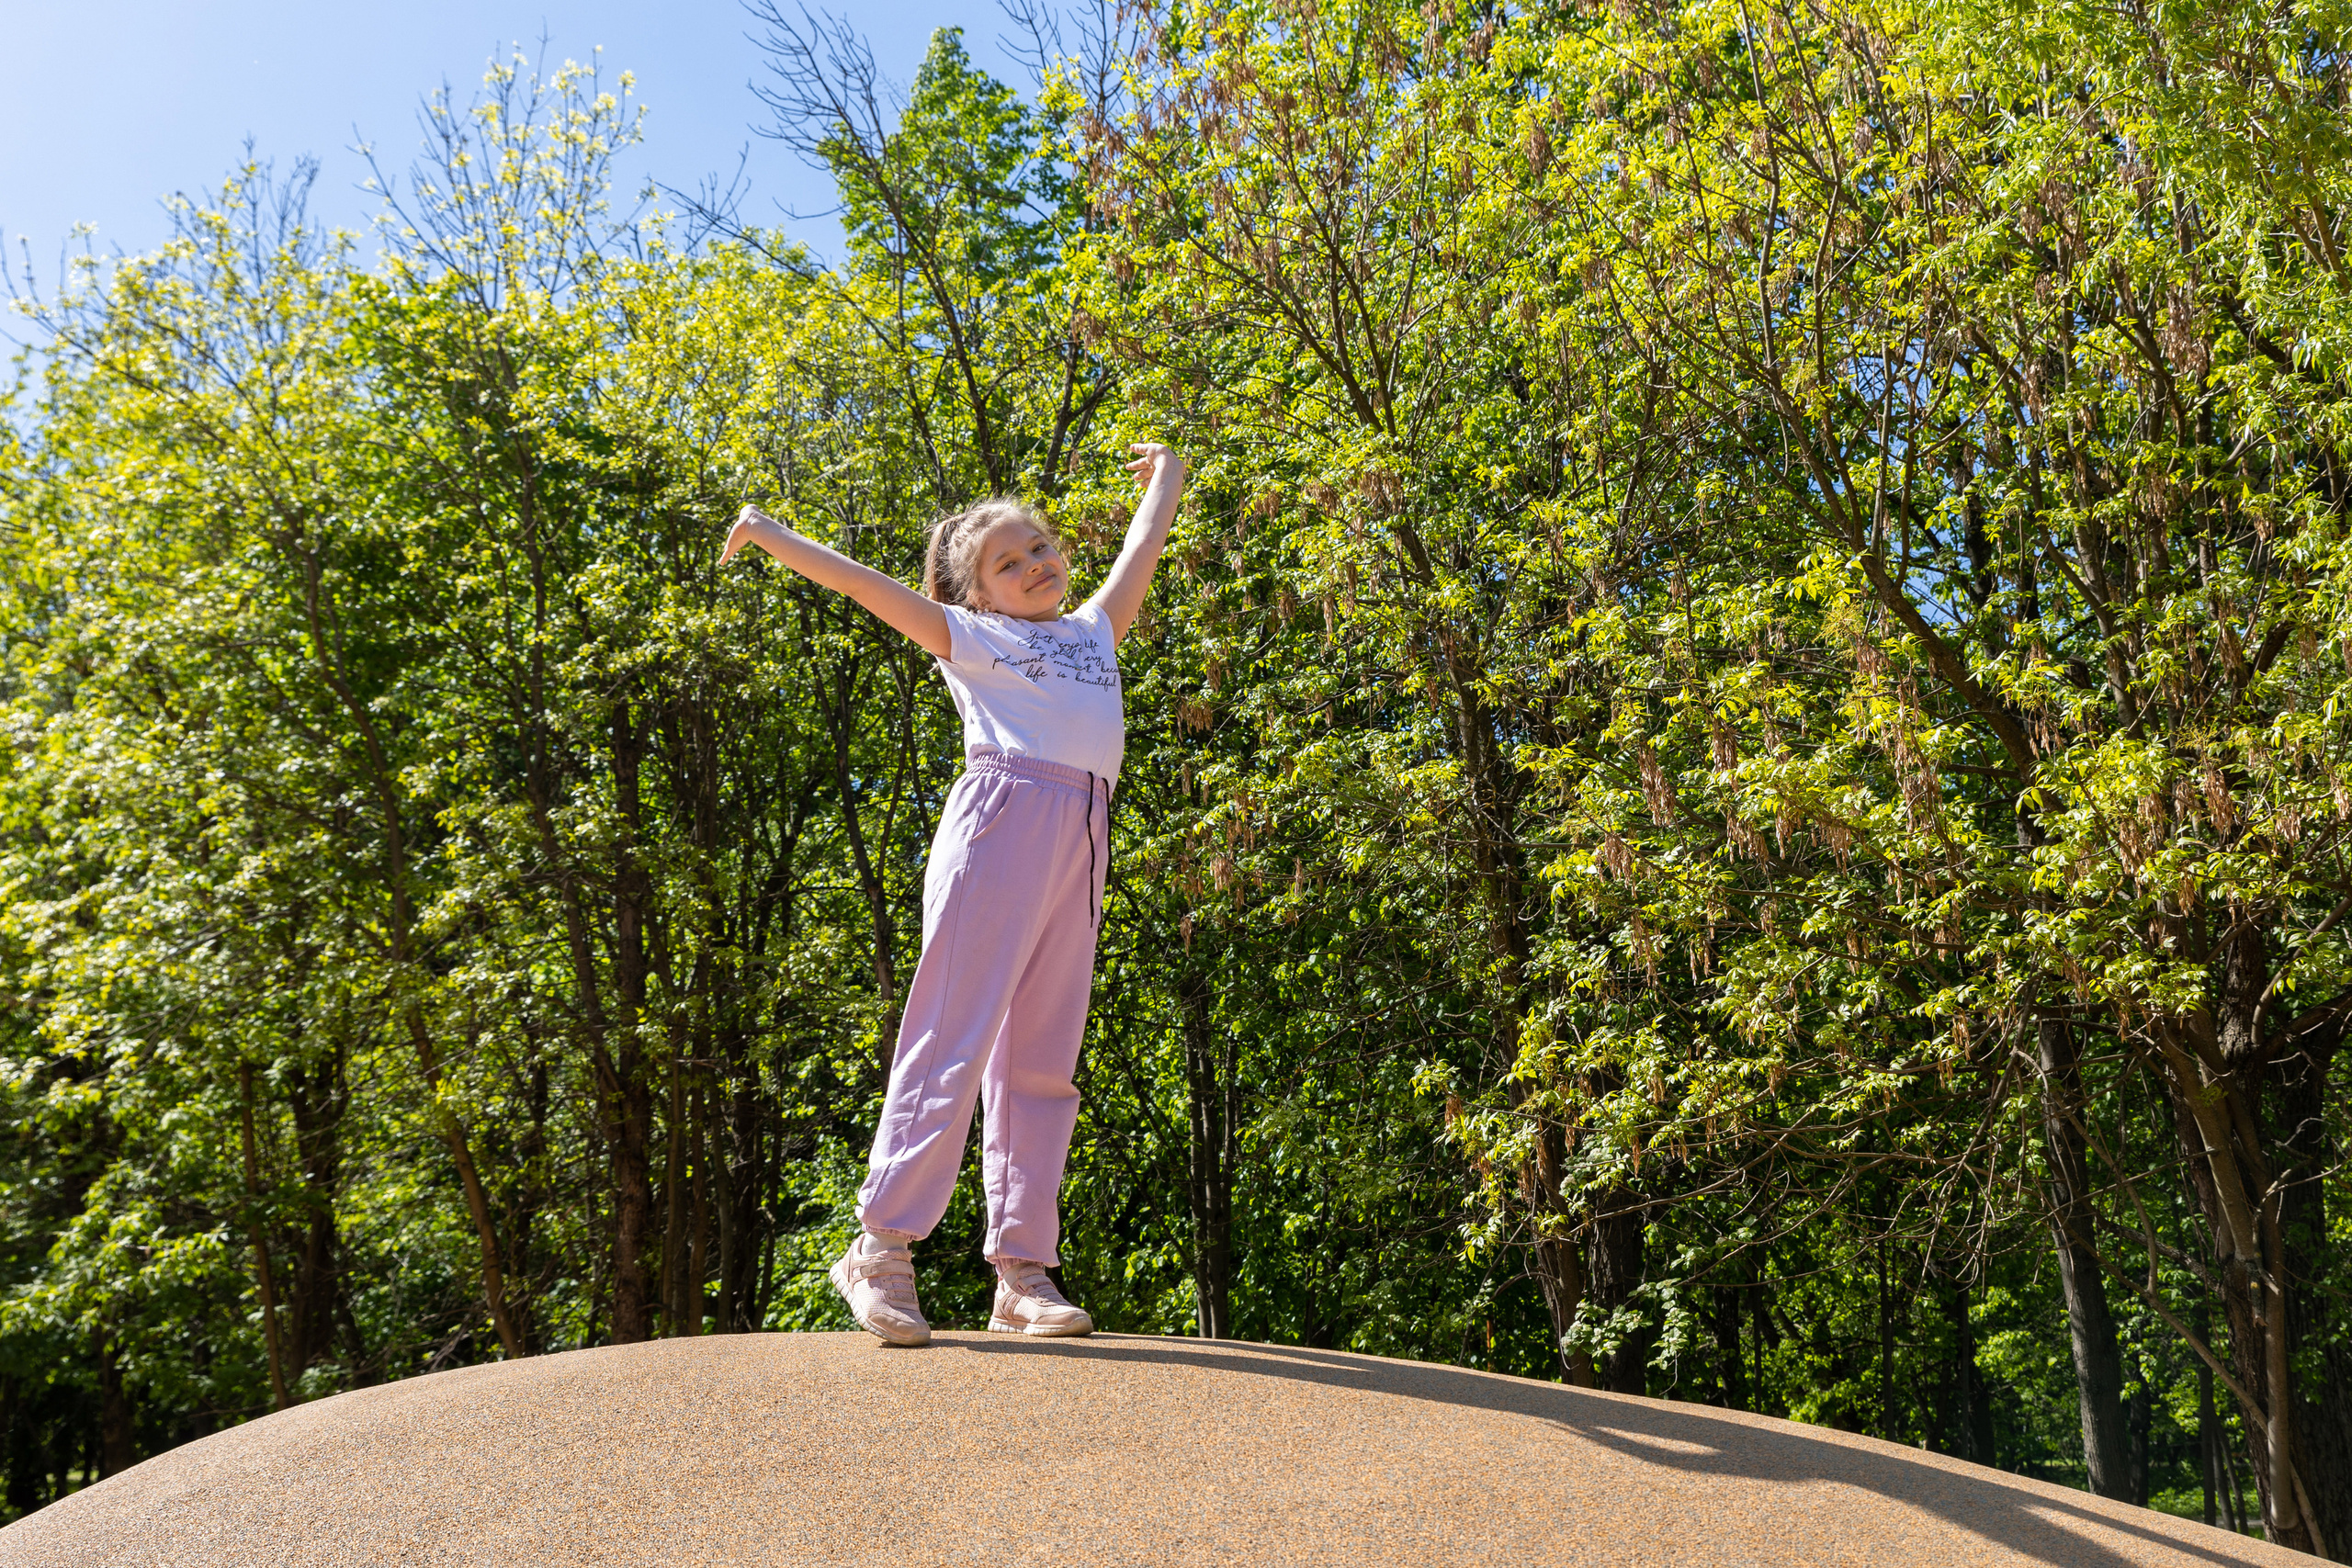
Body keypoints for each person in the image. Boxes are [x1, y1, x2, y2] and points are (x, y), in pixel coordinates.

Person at [719, 444, 1187, 1345]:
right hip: (1002, 822)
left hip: (1082, 835)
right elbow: (868, 589)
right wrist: (774, 536)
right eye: (1007, 563)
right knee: (955, 1035)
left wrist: (1165, 475)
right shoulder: (974, 639)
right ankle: (881, 1250)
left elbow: (1142, 550)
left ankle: (1021, 1273)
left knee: (1041, 1061)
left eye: (1040, 546)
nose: (1034, 565)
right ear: (978, 594)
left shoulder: (1093, 630)